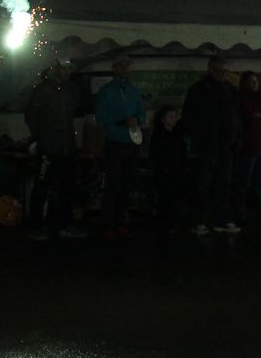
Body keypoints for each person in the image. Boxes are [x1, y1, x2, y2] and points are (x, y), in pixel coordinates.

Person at [25, 59, 87, 240]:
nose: (67, 71)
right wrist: (42, 137)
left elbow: (76, 111)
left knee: (67, 188)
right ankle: (36, 227)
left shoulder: (70, 89)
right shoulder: (42, 90)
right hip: (48, 149)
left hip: (67, 148)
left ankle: (65, 225)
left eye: (69, 68)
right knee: (41, 187)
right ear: (56, 68)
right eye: (64, 68)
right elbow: (31, 116)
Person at [182, 57, 241, 235]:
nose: (222, 74)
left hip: (225, 146)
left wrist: (236, 139)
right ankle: (199, 221)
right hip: (207, 146)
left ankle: (221, 220)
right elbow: (189, 117)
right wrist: (202, 137)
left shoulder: (230, 90)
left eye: (224, 71)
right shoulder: (199, 90)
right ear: (210, 70)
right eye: (218, 71)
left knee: (223, 184)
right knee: (203, 184)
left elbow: (236, 117)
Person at [94, 56, 146, 238]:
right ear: (114, 68)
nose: (125, 69)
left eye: (127, 66)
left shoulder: (134, 90)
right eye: (121, 66)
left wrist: (136, 120)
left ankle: (120, 221)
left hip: (132, 143)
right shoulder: (106, 91)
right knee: (113, 184)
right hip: (114, 142)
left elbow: (142, 114)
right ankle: (108, 224)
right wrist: (123, 122)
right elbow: (100, 117)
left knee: (127, 183)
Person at [232, 71, 261, 223]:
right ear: (245, 83)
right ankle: (240, 212)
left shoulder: (259, 99)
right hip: (249, 146)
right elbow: (251, 120)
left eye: (256, 81)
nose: (255, 84)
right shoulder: (242, 99)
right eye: (252, 81)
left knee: (260, 181)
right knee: (244, 181)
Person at [147, 104, 186, 227]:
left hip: (176, 169)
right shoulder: (159, 135)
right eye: (170, 116)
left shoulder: (177, 133)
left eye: (175, 116)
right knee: (166, 196)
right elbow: (155, 154)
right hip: (165, 171)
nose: (174, 119)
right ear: (163, 119)